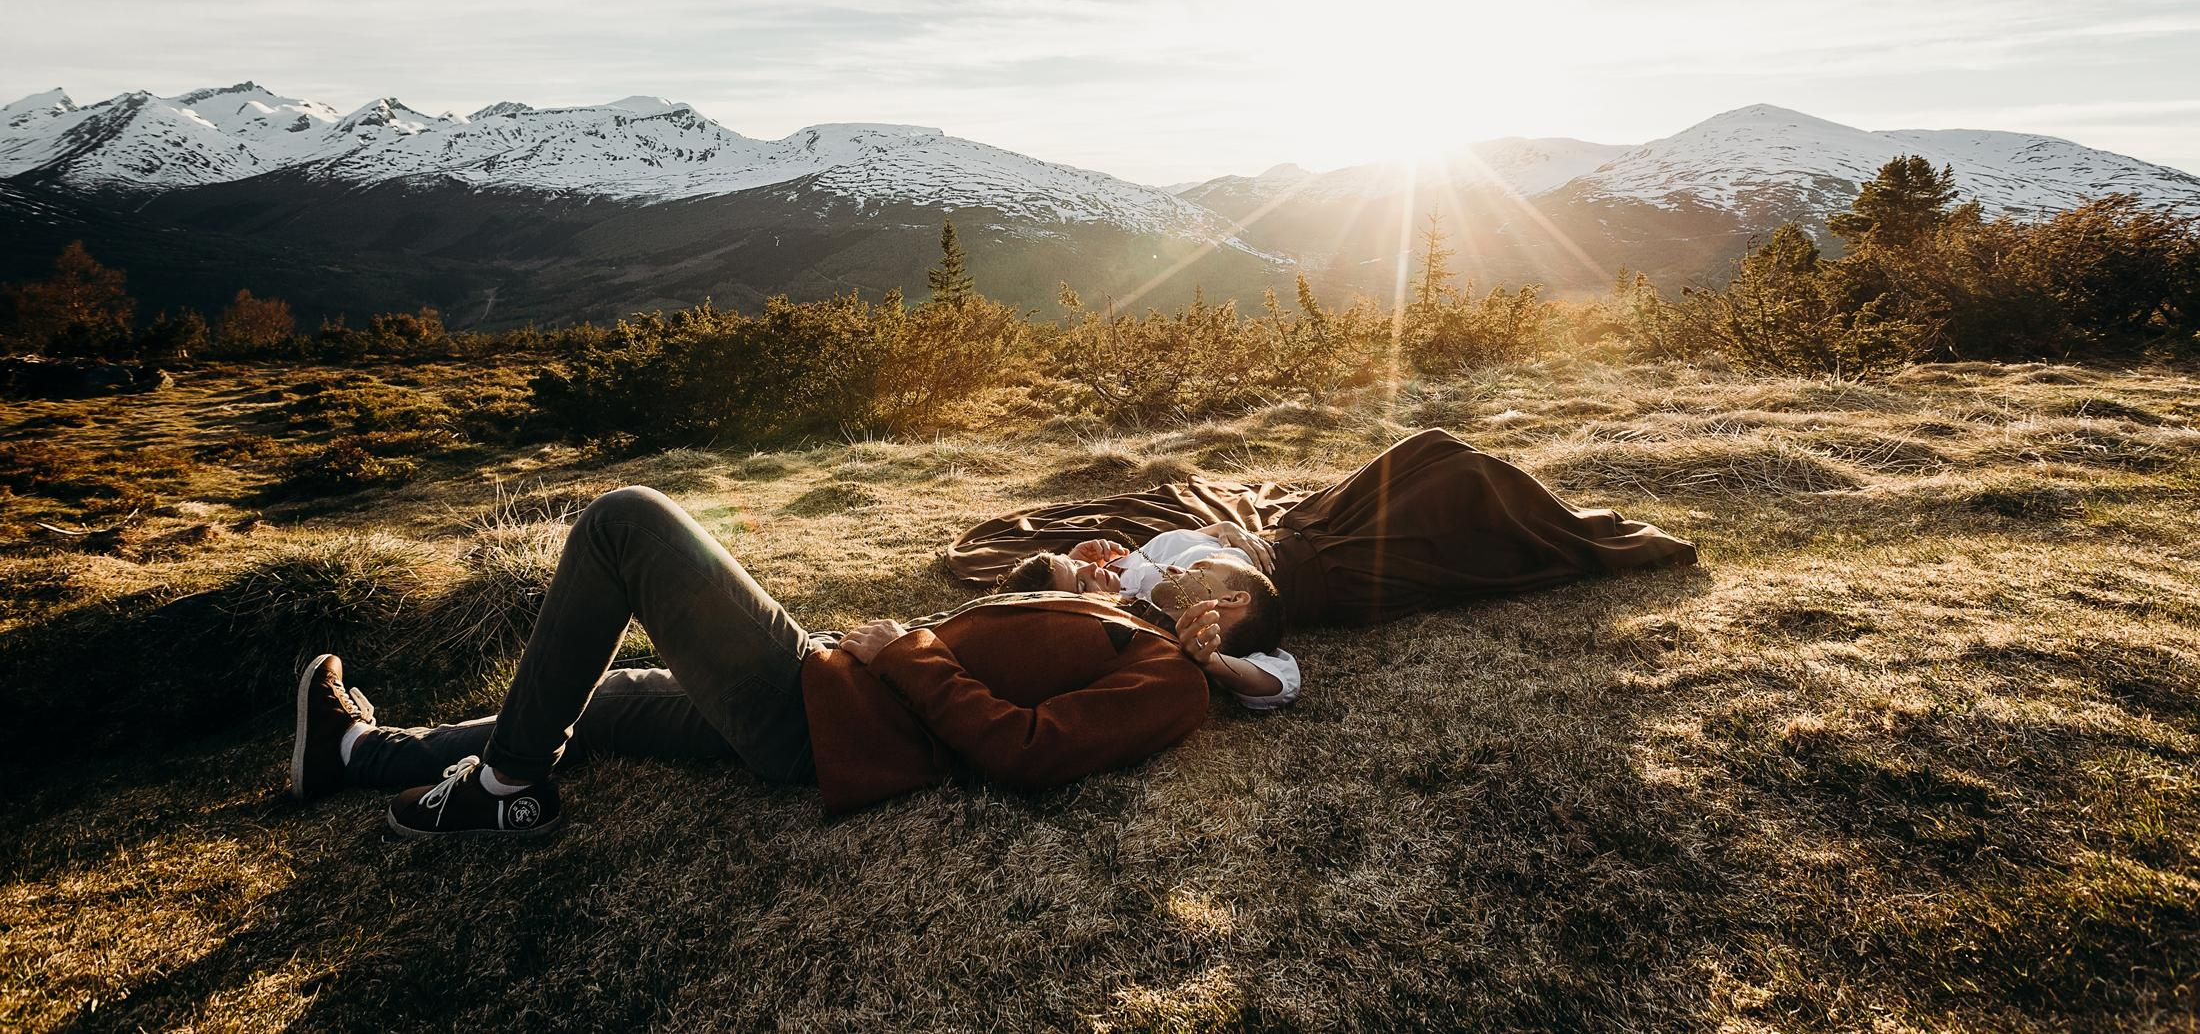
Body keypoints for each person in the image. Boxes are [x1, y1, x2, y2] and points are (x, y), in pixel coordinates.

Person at [291, 485, 1210, 835]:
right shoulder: (1122, 614)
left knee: (627, 523)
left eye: (1200, 564)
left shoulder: (1173, 674)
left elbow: (1027, 749)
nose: (1167, 560)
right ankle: (353, 752)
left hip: (824, 716)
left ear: (1227, 608)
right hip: (828, 686)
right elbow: (1000, 649)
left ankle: (506, 787)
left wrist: (907, 647)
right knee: (608, 698)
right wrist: (1050, 576)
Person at [947, 427, 1698, 627]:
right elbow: (1227, 622)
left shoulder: (1132, 566)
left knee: (1432, 446)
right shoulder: (1144, 613)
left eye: (1088, 566)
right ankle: (1598, 541)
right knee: (1462, 486)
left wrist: (1092, 552)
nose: (1100, 572)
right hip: (1325, 571)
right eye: (1086, 584)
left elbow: (1179, 548)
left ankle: (1569, 521)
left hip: (1301, 526)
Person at [992, 523, 1298, 709]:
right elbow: (1281, 680)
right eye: (1082, 583)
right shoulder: (1150, 614)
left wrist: (1224, 528)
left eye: (1197, 569)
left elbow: (1280, 681)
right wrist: (1209, 660)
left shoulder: (1119, 580)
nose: (1176, 570)